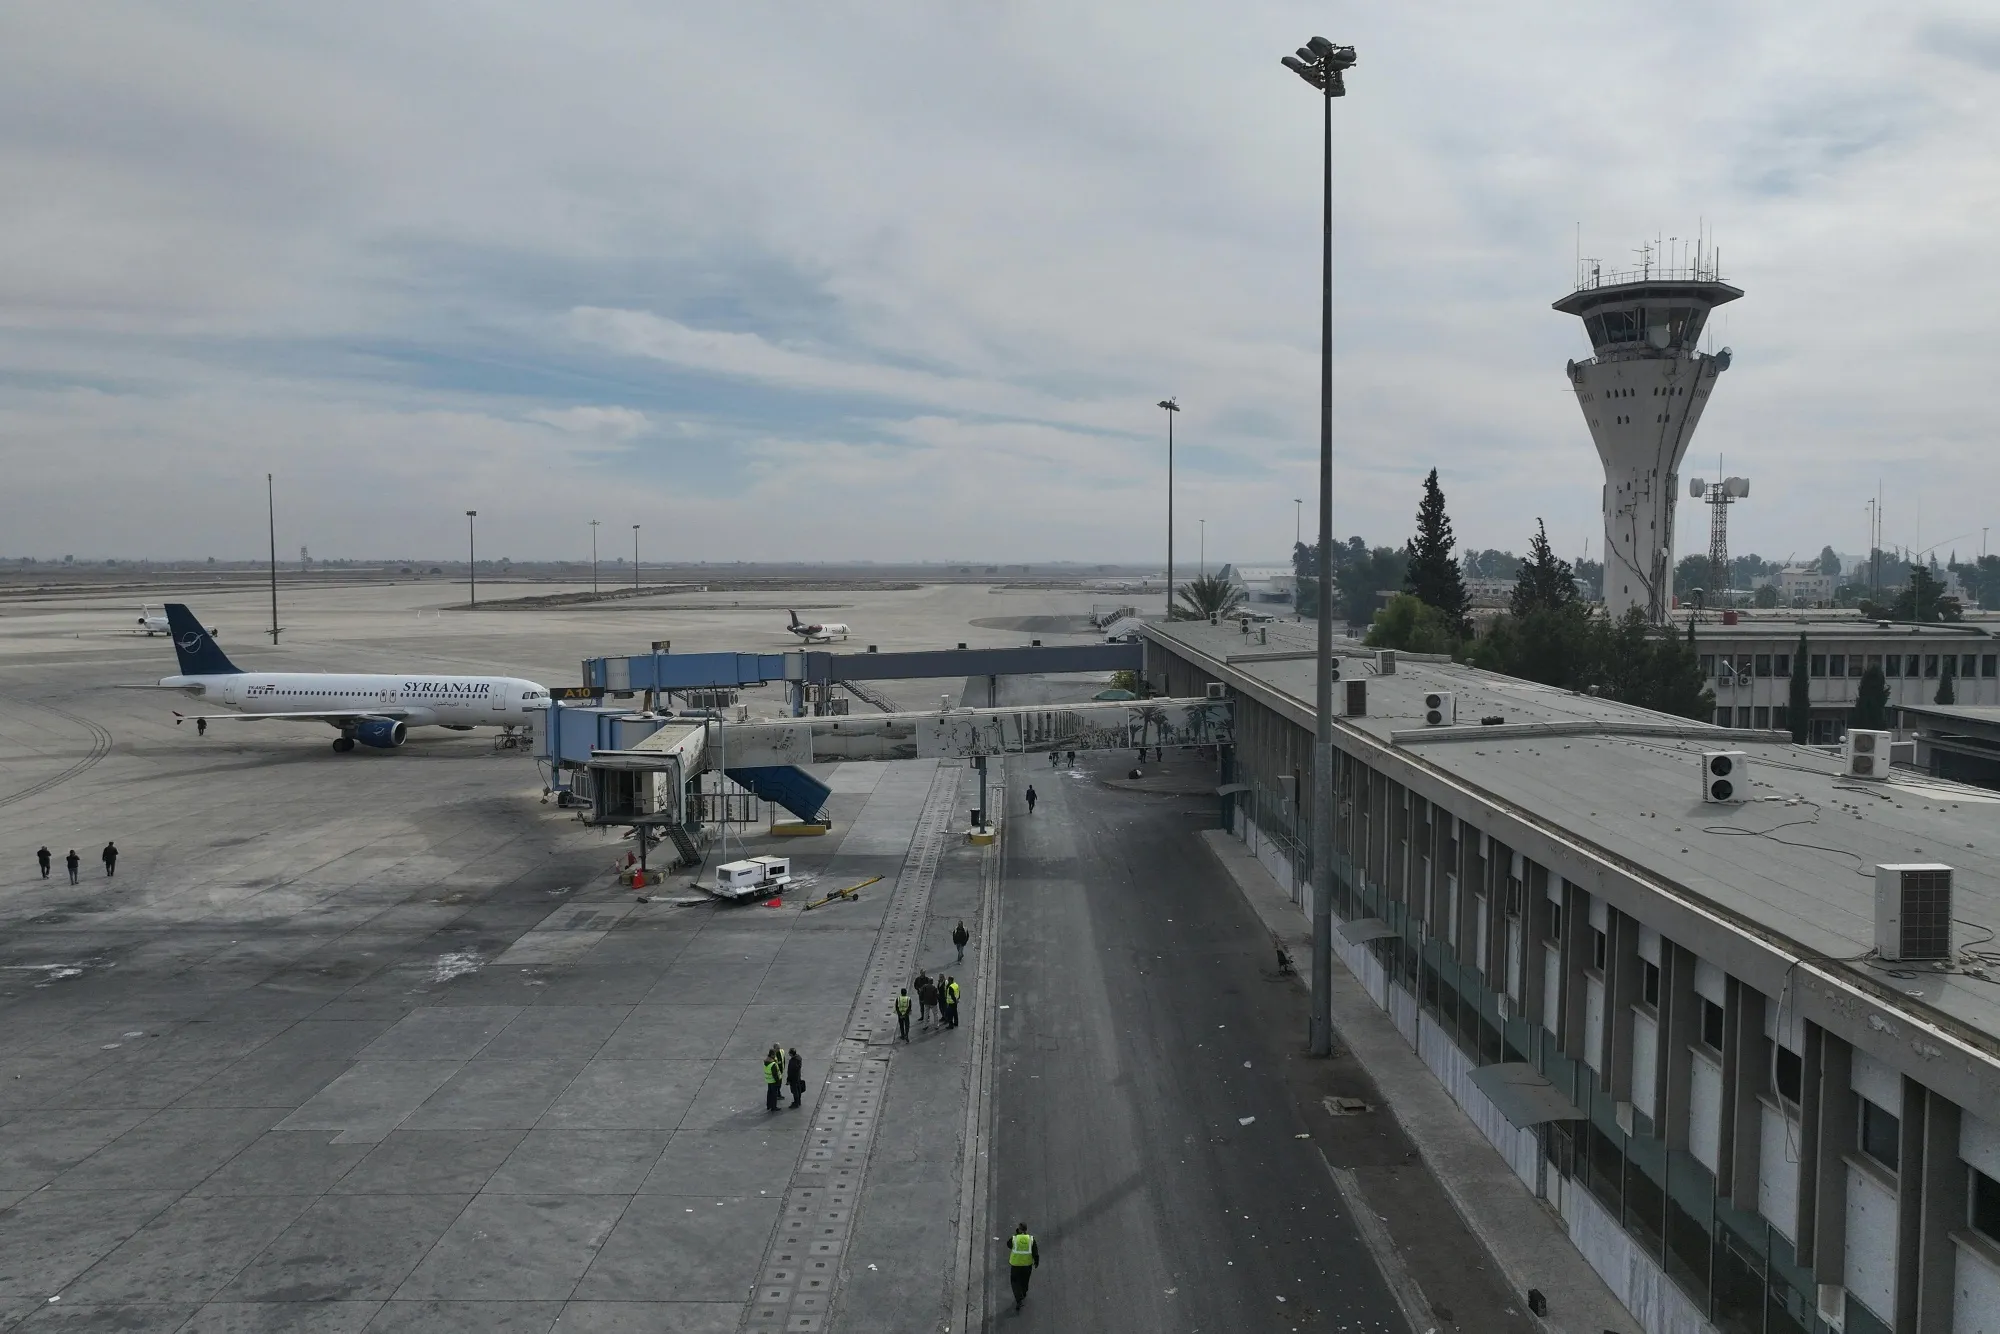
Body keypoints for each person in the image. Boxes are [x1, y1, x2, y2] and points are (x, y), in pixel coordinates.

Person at [1007, 1222, 1040, 1311]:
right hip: (1027, 1265)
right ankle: (1024, 1292)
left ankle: (1019, 1299)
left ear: (1019, 1229)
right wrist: (1036, 1262)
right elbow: (1035, 1252)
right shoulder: (1031, 1239)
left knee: (1015, 1282)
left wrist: (1016, 1234)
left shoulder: (1015, 1238)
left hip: (1016, 1265)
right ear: (1026, 1230)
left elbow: (1008, 1244)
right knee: (1025, 1280)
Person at [764, 1046, 784, 1112]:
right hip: (773, 1081)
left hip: (769, 1080)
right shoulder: (773, 1064)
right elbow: (775, 1074)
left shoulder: (766, 1061)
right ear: (772, 1055)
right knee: (774, 1094)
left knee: (769, 1093)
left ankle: (769, 1105)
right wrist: (778, 1082)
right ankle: (773, 1107)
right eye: (774, 1055)